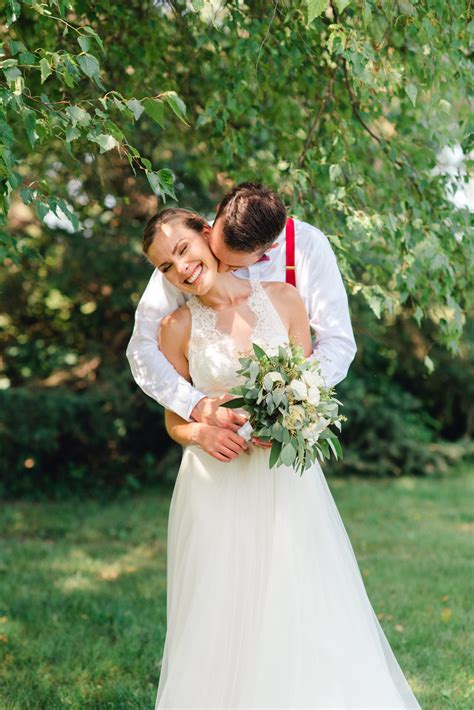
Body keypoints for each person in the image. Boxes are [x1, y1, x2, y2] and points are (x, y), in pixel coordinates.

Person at [142, 209, 421, 708]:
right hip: (214, 485)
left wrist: (288, 421)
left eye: (182, 250)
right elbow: (172, 421)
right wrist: (202, 433)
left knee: (299, 597)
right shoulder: (175, 328)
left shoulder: (285, 299)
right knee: (220, 608)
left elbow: (310, 392)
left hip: (285, 479)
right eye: (165, 266)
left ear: (209, 236)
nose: (179, 268)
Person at [126, 183, 357, 460]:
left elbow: (337, 342)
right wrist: (196, 406)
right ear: (211, 226)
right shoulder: (181, 250)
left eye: (232, 266)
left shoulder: (305, 252)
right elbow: (142, 348)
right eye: (216, 252)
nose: (219, 268)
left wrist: (291, 403)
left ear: (267, 249)